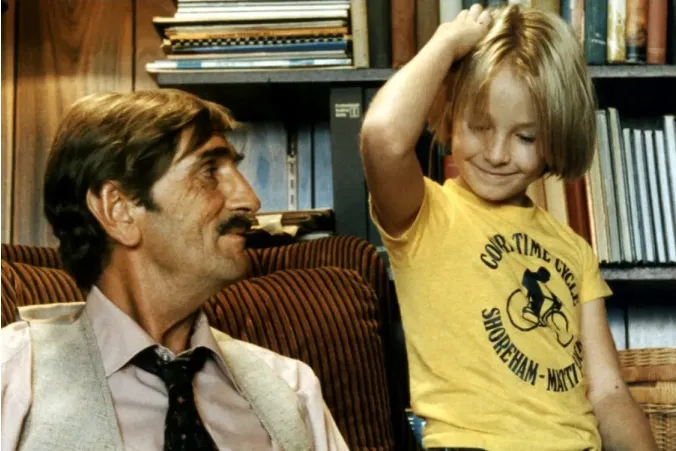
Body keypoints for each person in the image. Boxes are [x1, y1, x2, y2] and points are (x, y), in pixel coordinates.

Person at [360, 4, 656, 451]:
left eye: (525, 137)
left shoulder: (573, 249)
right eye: (480, 126)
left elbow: (608, 391)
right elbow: (382, 136)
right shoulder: (425, 214)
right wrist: (447, 43)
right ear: (451, 115)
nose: (497, 154)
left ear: (554, 139)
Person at [1, 89, 348, 451]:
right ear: (118, 209)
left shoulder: (291, 388)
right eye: (209, 171)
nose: (250, 201)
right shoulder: (11, 377)